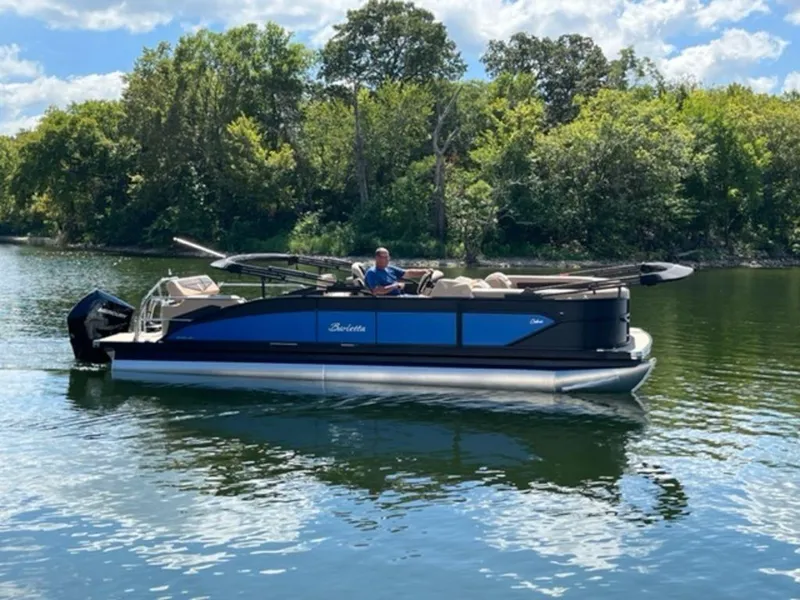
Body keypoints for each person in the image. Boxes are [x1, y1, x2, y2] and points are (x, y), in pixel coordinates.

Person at [365, 247, 430, 296]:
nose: (387, 259)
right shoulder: (372, 273)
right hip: (389, 302)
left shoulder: (390, 268)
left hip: (400, 297)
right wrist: (395, 286)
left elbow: (408, 273)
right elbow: (376, 291)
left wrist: (425, 272)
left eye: (388, 257)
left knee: (423, 297)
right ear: (377, 258)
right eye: (384, 257)